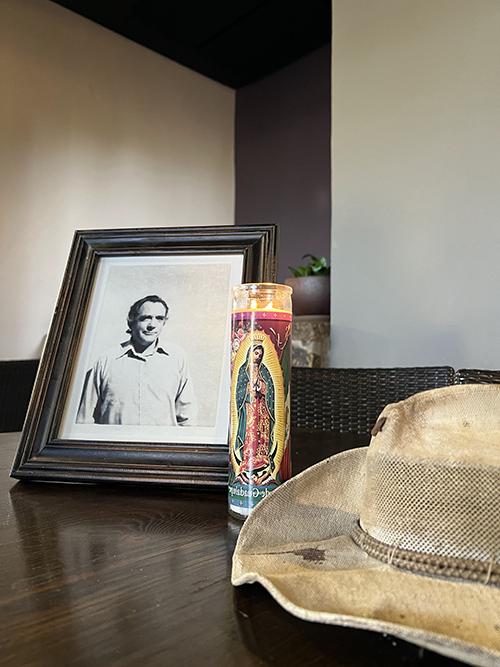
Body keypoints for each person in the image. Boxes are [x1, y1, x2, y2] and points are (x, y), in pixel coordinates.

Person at [77, 295, 197, 426]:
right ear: (131, 321)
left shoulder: (177, 358)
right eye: (145, 318)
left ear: (164, 322)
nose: (152, 325)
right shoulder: (106, 360)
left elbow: (187, 417)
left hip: (160, 445)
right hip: (115, 445)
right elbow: (84, 419)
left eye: (159, 318)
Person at [233, 344, 276, 484]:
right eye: (255, 353)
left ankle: (262, 459)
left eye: (259, 354)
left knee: (261, 431)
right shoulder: (243, 370)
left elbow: (270, 388)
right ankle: (249, 460)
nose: (257, 356)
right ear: (250, 353)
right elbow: (238, 390)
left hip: (262, 406)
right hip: (249, 406)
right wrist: (248, 387)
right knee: (250, 431)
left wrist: (261, 386)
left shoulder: (263, 370)